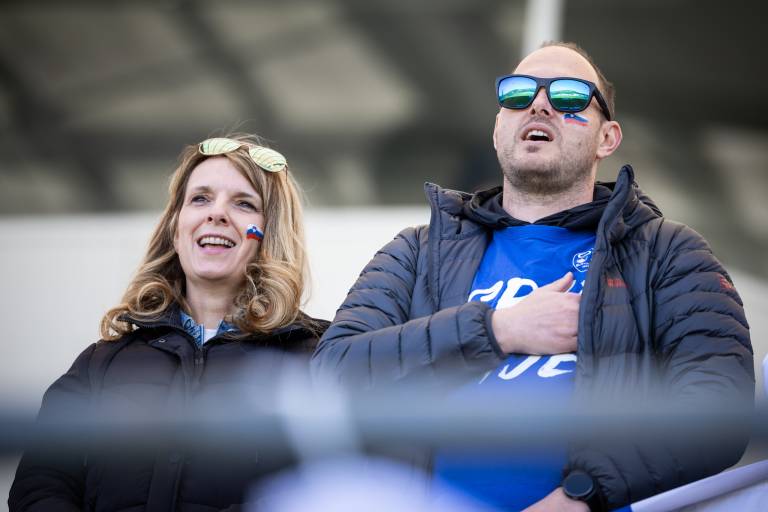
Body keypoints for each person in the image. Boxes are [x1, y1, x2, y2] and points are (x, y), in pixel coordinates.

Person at [311, 42, 754, 511]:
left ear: (607, 138)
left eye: (568, 96)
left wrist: (584, 495)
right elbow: (331, 375)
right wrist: (498, 330)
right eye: (518, 94)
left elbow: (718, 409)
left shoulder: (667, 252)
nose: (539, 104)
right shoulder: (417, 251)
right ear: (497, 130)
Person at [9, 134, 326, 512]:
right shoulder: (100, 363)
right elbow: (39, 486)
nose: (217, 213)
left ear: (270, 233)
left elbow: (332, 488)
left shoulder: (318, 359)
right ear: (176, 229)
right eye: (200, 198)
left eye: (244, 203)